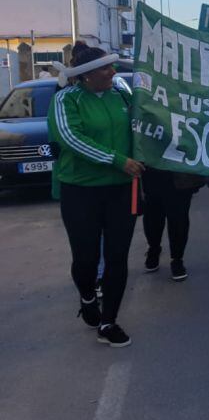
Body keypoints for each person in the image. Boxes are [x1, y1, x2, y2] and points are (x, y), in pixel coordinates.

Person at [47, 40, 144, 347]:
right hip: (81, 192)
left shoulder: (122, 94)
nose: (113, 71)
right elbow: (71, 138)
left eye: (112, 66)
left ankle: (109, 321)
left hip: (120, 191)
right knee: (86, 258)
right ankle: (88, 296)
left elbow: (144, 123)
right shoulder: (66, 100)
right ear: (87, 75)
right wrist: (118, 161)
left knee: (117, 257)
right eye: (106, 68)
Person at [142, 168, 202, 281]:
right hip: (153, 172)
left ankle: (177, 259)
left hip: (180, 173)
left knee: (179, 219)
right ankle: (154, 248)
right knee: (152, 217)